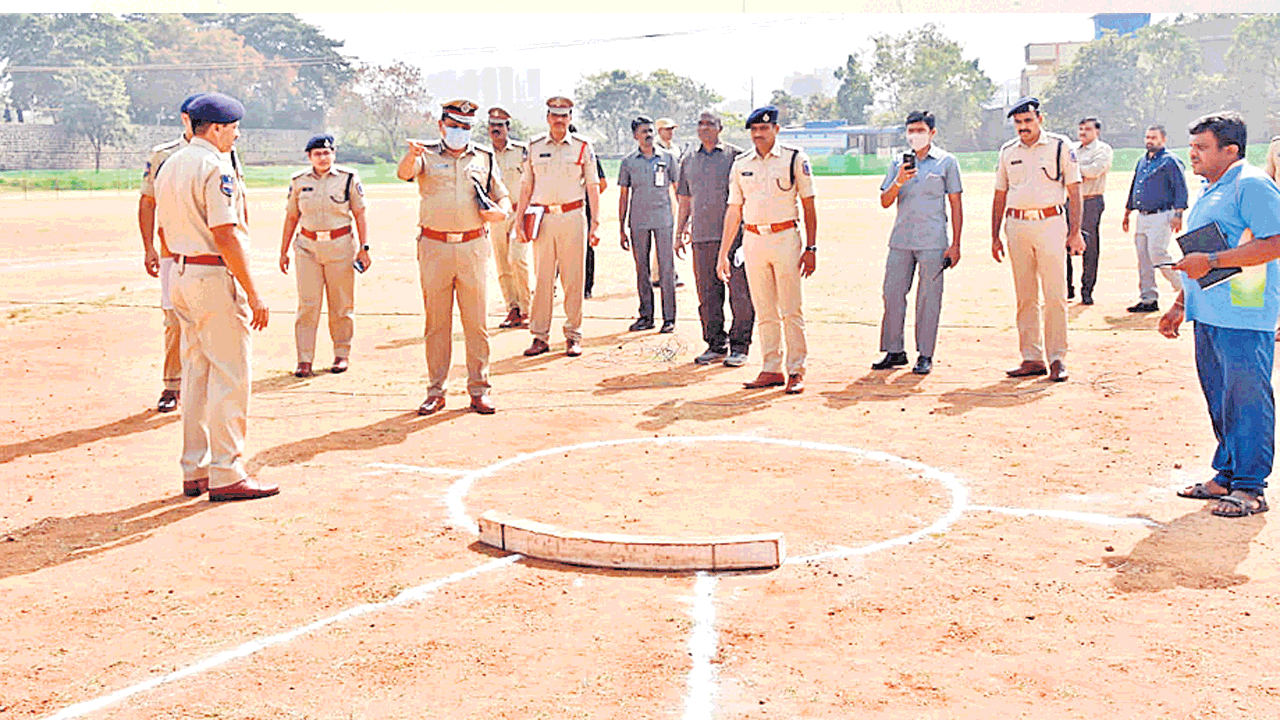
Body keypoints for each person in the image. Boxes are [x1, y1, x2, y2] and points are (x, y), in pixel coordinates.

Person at [153, 92, 276, 501]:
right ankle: (227, 471)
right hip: (211, 274)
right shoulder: (214, 166)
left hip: (182, 272)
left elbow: (163, 230)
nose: (237, 136)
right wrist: (254, 293)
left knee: (197, 376)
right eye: (234, 128)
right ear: (218, 128)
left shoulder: (171, 164)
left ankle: (196, 468)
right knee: (230, 375)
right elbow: (226, 232)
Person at [1162, 111, 1280, 518]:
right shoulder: (1210, 187)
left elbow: (1275, 241)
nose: (1191, 154)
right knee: (1221, 397)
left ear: (1230, 151)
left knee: (1247, 399)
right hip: (1210, 311)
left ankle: (1250, 487)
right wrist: (1180, 305)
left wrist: (1211, 259)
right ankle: (1226, 474)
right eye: (1191, 146)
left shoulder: (1251, 185)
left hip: (1245, 312)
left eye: (1201, 147)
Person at [397, 99, 510, 415]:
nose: (459, 132)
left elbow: (500, 193)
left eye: (465, 127)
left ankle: (479, 389)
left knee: (476, 323)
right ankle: (436, 391)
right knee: (437, 323)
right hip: (434, 247)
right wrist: (411, 155)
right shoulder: (426, 154)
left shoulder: (484, 157)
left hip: (473, 246)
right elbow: (404, 173)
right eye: (454, 126)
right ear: (441, 125)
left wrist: (502, 212)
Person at [717, 105, 817, 395]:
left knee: (790, 308)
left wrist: (811, 246)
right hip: (753, 240)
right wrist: (724, 253)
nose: (758, 134)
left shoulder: (794, 158)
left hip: (786, 237)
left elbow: (809, 204)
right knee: (764, 309)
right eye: (754, 130)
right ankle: (771, 367)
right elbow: (734, 210)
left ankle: (796, 369)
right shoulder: (741, 163)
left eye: (764, 128)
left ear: (776, 129)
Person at [991, 96, 1085, 382]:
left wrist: (1075, 231)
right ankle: (1031, 357)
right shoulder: (1008, 151)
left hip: (1051, 224)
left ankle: (1057, 358)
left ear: (1039, 119)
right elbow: (999, 194)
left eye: (1028, 121)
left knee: (1055, 295)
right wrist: (994, 235)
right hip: (1017, 225)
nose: (1023, 127)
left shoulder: (1059, 146)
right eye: (1018, 123)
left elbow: (1075, 189)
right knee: (1025, 296)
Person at [872, 110, 963, 376]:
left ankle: (925, 354)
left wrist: (955, 243)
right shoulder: (897, 162)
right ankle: (894, 350)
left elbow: (956, 203)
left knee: (929, 298)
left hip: (933, 241)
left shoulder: (947, 162)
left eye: (920, 130)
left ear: (932, 133)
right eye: (911, 131)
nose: (915, 135)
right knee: (892, 293)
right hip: (901, 239)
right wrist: (900, 179)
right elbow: (885, 201)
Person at [516, 96, 601, 358]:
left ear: (570, 118)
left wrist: (595, 223)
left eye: (564, 115)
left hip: (573, 217)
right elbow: (526, 186)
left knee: (573, 278)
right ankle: (539, 336)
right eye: (554, 115)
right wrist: (519, 220)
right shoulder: (534, 146)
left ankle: (573, 335)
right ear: (547, 118)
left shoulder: (582, 146)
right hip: (543, 219)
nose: (559, 120)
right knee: (542, 279)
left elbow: (592, 186)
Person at [278, 134, 370, 377]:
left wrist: (364, 247)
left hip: (340, 245)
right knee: (308, 305)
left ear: (334, 154)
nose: (323, 157)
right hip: (308, 247)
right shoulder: (299, 181)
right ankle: (304, 359)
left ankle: (341, 354)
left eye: (327, 153)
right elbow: (291, 217)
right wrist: (283, 250)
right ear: (309, 156)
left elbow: (360, 213)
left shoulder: (348, 178)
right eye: (317, 153)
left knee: (341, 304)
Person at [138, 93, 201, 413]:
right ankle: (172, 386)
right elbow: (148, 202)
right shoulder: (162, 155)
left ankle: (204, 388)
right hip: (172, 254)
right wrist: (149, 247)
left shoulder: (226, 153)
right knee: (174, 321)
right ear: (184, 119)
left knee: (212, 320)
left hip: (212, 254)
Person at [675, 109, 753, 368]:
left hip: (734, 238)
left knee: (740, 294)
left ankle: (740, 347)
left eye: (710, 123)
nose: (704, 127)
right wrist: (680, 232)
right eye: (700, 123)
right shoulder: (688, 160)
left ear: (720, 128)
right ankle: (715, 344)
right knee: (707, 295)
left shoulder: (736, 157)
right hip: (702, 237)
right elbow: (685, 200)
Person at [618, 115, 679, 334]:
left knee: (666, 269)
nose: (649, 135)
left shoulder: (668, 158)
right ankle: (646, 316)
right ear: (635, 136)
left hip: (663, 220)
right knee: (641, 269)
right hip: (638, 221)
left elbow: (678, 189)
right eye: (644, 131)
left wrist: (683, 223)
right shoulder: (628, 162)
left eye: (651, 131)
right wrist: (621, 228)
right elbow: (624, 196)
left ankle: (669, 317)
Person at [1122, 124, 1189, 313]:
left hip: (1162, 214)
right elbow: (1135, 186)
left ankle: (1186, 288)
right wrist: (1128, 211)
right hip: (1142, 216)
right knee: (1143, 258)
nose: (1149, 140)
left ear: (1163, 139)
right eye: (1147, 137)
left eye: (1154, 137)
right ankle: (1148, 299)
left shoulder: (1170, 161)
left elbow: (1180, 188)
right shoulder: (1143, 161)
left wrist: (1178, 214)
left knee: (1157, 252)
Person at [488, 107, 531, 328]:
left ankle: (526, 308)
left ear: (508, 128)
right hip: (495, 215)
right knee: (502, 263)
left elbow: (532, 181)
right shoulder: (483, 155)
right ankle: (512, 309)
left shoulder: (522, 151)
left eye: (500, 126)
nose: (496, 130)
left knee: (518, 259)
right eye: (492, 126)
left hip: (518, 213)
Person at [1068, 117, 1112, 306]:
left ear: (1097, 132)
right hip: (1068, 202)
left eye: (1087, 129)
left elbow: (1095, 171)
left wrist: (1074, 173)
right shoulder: (1072, 149)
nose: (1083, 132)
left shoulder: (1103, 150)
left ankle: (1087, 290)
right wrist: (1079, 174)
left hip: (1091, 201)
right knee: (1062, 243)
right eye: (1080, 129)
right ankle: (1066, 288)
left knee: (1090, 246)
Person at [567, 122, 608, 300]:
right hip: (560, 207)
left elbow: (602, 183)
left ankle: (586, 286)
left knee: (586, 247)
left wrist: (587, 195)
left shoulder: (588, 154)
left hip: (583, 207)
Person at [654, 117, 683, 288]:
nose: (670, 132)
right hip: (662, 192)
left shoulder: (675, 148)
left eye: (672, 129)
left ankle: (663, 272)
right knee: (664, 234)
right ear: (659, 131)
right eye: (667, 129)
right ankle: (663, 273)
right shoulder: (655, 149)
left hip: (675, 190)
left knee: (670, 233)